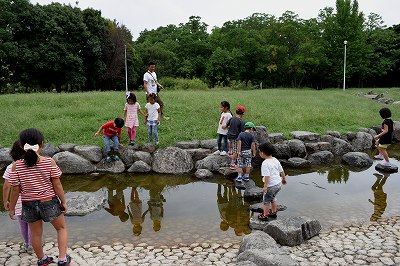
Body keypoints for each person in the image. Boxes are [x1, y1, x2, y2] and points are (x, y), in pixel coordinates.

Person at [8, 128, 71, 266]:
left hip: (28, 204)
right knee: (61, 228)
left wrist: (11, 208)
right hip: (49, 201)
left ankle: (42, 259)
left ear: (21, 145)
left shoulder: (16, 166)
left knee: (35, 234)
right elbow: (57, 185)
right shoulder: (49, 162)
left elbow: (15, 190)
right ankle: (62, 259)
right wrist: (63, 201)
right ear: (42, 144)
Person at [3, 141, 32, 253]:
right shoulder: (32, 165)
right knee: (32, 223)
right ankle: (31, 244)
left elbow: (6, 186)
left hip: (17, 202)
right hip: (32, 199)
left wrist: (6, 200)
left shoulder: (11, 167)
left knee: (22, 223)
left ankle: (26, 243)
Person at [257, 142, 287, 221]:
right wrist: (284, 179)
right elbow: (281, 170)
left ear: (262, 153)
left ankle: (265, 215)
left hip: (271, 186)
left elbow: (267, 176)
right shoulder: (275, 160)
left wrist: (265, 186)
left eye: (259, 152)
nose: (259, 153)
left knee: (266, 200)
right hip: (278, 184)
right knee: (273, 198)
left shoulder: (265, 163)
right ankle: (273, 212)